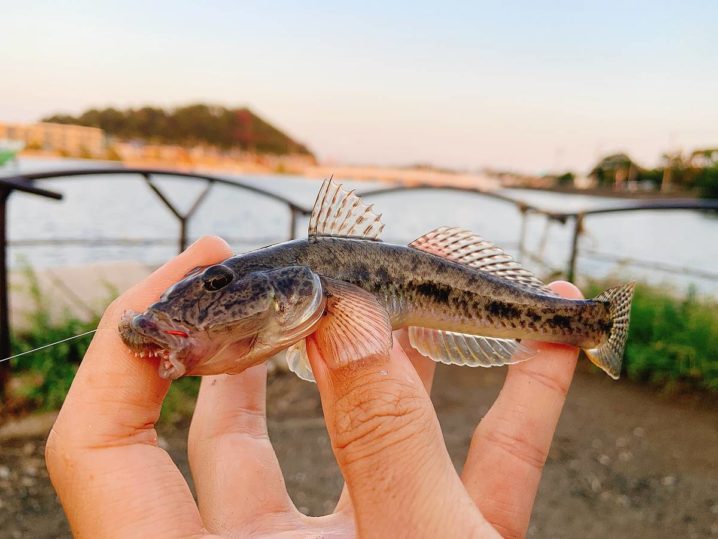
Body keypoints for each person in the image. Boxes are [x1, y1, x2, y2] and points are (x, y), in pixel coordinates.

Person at [45, 236, 582, 538]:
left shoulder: (314, 289)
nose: (211, 290)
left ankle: (584, 322)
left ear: (292, 286)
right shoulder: (247, 312)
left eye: (217, 284)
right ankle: (587, 324)